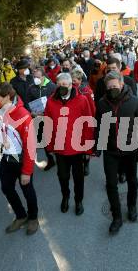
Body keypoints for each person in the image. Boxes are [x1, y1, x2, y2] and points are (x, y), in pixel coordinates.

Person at [94, 71, 138, 235]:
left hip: (130, 150)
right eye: (108, 87)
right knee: (111, 184)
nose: (112, 89)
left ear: (122, 84)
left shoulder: (135, 102)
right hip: (111, 152)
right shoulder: (102, 103)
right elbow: (99, 126)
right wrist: (97, 146)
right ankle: (116, 217)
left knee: (132, 180)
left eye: (114, 86)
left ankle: (132, 206)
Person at [0, 83, 39, 235]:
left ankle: (33, 218)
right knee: (6, 188)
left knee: (27, 189)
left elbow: (30, 145)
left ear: (7, 97)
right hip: (7, 159)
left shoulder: (22, 114)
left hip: (21, 160)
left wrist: (26, 171)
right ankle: (21, 216)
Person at [44, 73, 94, 216]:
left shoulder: (82, 100)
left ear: (72, 85)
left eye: (65, 85)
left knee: (78, 178)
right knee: (63, 177)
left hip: (77, 148)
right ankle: (65, 197)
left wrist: (88, 148)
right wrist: (50, 146)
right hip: (60, 149)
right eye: (60, 85)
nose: (62, 88)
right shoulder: (51, 101)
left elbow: (88, 124)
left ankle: (78, 200)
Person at [28, 67, 57, 171]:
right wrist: (32, 112)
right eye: (34, 77)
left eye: (38, 77)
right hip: (38, 119)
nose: (36, 79)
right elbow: (29, 102)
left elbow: (57, 103)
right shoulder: (31, 88)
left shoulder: (52, 87)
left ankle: (60, 157)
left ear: (43, 77)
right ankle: (51, 160)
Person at [71, 68, 96, 176]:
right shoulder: (68, 90)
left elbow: (92, 106)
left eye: (75, 79)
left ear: (80, 80)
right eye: (71, 79)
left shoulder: (86, 91)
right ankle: (78, 162)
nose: (73, 81)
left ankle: (86, 164)